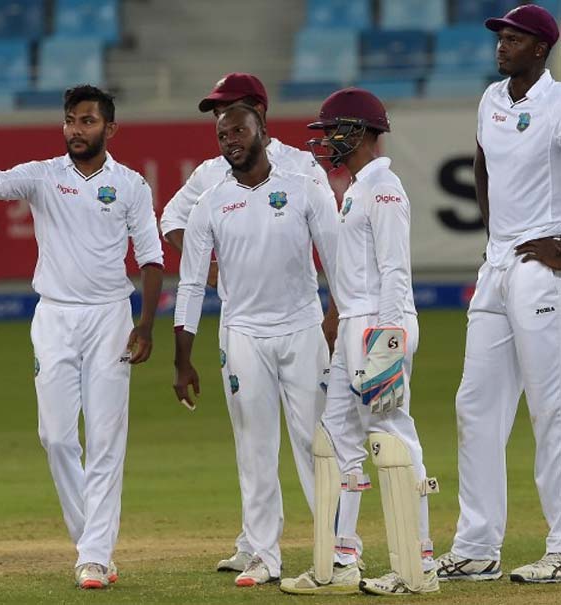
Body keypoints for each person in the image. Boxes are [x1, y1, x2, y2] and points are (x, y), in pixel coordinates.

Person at [0, 85, 164, 590]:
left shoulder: (132, 185)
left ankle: (93, 555)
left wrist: (145, 324)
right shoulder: (44, 175)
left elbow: (152, 259)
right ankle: (89, 542)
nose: (76, 129)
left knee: (106, 438)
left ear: (109, 129)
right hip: (54, 317)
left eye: (88, 121)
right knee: (55, 437)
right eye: (71, 120)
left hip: (111, 318)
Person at [160, 72, 343, 574]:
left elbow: (333, 250)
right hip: (242, 328)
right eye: (219, 124)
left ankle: (339, 548)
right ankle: (262, 552)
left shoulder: (302, 170)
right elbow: (176, 233)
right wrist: (220, 270)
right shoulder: (211, 182)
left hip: (301, 322)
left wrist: (336, 314)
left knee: (317, 442)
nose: (224, 132)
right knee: (254, 446)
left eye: (233, 118)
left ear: (258, 116)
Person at [281, 88, 439, 596]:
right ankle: (342, 560)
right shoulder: (353, 189)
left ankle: (418, 565)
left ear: (363, 131)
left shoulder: (384, 187)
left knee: (392, 437)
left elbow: (395, 270)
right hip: (355, 324)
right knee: (336, 442)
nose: (326, 140)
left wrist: (386, 341)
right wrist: (346, 330)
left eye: (334, 130)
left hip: (379, 324)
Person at [436, 4, 561, 584]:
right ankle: (477, 546)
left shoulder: (558, 104)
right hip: (499, 264)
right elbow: (482, 166)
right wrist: (495, 238)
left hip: (545, 266)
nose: (501, 45)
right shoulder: (490, 99)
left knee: (551, 409)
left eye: (514, 38)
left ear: (541, 48)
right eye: (500, 37)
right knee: (475, 406)